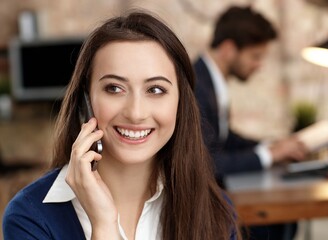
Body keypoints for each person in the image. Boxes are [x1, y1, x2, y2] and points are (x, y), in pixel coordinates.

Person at [3, 11, 241, 240]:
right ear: (86, 99)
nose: (136, 113)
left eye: (155, 90)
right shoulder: (30, 217)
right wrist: (103, 225)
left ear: (181, 103)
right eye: (114, 88)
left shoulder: (214, 210)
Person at [193, 6, 308, 240]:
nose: (259, 65)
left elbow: (222, 136)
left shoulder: (211, 80)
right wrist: (269, 155)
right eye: (255, 56)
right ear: (228, 49)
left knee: (285, 222)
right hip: (202, 202)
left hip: (222, 190)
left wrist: (271, 146)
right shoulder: (197, 86)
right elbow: (206, 161)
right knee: (278, 225)